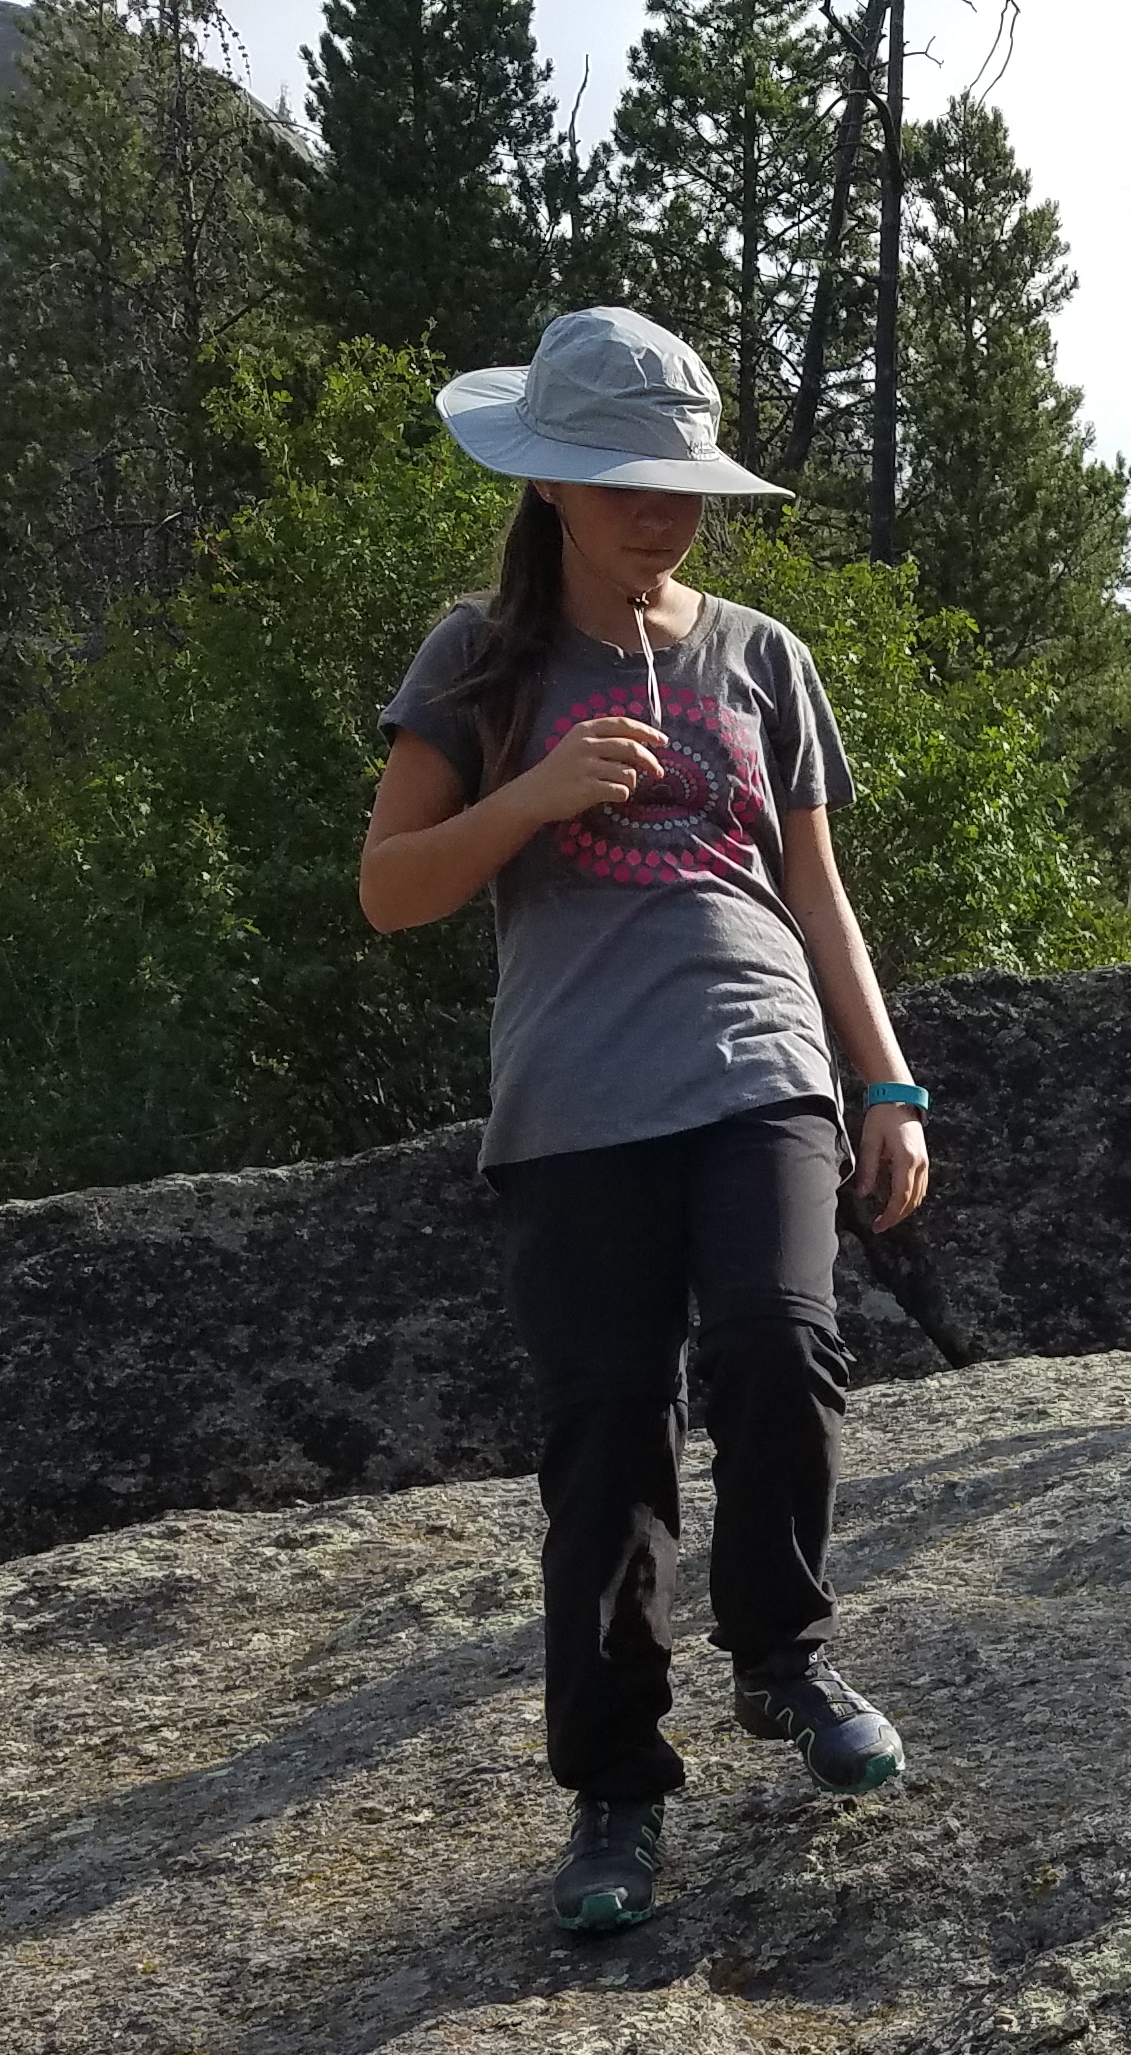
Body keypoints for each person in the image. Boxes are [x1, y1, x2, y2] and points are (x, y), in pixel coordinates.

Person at [357, 307, 931, 1938]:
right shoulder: (477, 657)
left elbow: (817, 893)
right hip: (574, 1097)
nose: (659, 510)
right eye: (621, 481)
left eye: (679, 482)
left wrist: (882, 1078)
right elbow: (390, 890)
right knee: (605, 1435)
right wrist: (530, 797)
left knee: (776, 1338)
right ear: (544, 482)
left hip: (760, 1058)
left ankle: (784, 1654)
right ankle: (615, 1788)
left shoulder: (762, 656)